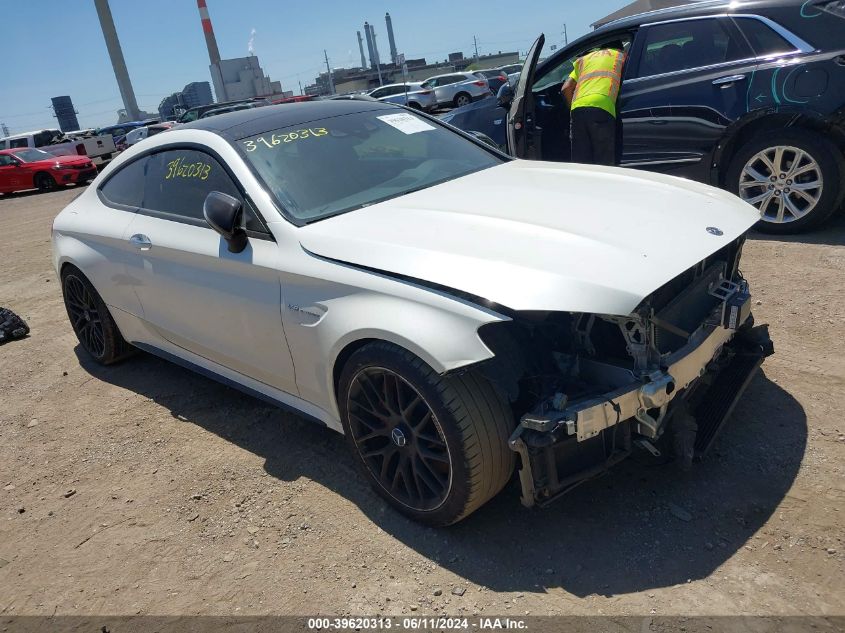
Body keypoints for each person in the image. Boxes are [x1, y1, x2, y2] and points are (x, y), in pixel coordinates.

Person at [561, 41, 626, 166]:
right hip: (602, 107)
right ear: (621, 48)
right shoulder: (620, 56)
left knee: (582, 164)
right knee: (604, 163)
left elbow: (566, 88)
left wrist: (573, 109)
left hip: (578, 108)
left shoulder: (584, 59)